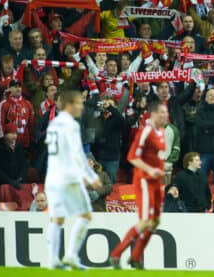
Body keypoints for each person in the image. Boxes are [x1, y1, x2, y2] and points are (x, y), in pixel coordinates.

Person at [44, 90, 102, 270]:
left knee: (57, 219)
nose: (81, 107)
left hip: (52, 177)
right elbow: (77, 154)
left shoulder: (54, 123)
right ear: (70, 104)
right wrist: (91, 176)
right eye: (78, 103)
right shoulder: (71, 124)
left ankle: (53, 260)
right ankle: (70, 255)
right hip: (68, 178)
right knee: (85, 215)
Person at [110, 100, 169, 269]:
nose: (166, 116)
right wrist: (150, 170)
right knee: (145, 221)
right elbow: (132, 157)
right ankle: (116, 254)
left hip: (157, 182)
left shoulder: (163, 131)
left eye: (166, 112)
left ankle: (135, 257)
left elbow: (158, 157)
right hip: (144, 180)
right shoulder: (146, 131)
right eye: (163, 113)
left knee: (155, 221)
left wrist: (162, 172)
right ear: (154, 114)